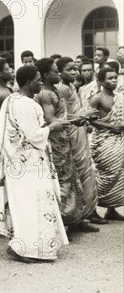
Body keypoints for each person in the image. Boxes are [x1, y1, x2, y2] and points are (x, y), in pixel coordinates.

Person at [0, 65, 70, 263]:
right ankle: (26, 249)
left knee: (24, 204)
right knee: (33, 203)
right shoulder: (25, 104)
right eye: (37, 80)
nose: (41, 83)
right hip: (29, 163)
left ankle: (26, 246)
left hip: (17, 161)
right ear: (28, 82)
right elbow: (34, 136)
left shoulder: (12, 99)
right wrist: (52, 127)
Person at [37, 58, 98, 232]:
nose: (58, 74)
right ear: (47, 75)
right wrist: (78, 119)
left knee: (73, 180)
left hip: (64, 140)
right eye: (56, 71)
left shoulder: (54, 90)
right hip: (55, 143)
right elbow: (52, 121)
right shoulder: (44, 94)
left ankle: (75, 220)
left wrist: (80, 118)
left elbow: (64, 117)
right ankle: (59, 225)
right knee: (61, 183)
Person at [89, 67, 124, 222]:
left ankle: (112, 209)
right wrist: (110, 127)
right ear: (101, 81)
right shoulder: (97, 98)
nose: (113, 81)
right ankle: (92, 209)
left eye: (115, 78)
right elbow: (88, 119)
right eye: (110, 78)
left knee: (119, 175)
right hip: (103, 141)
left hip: (118, 139)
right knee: (107, 174)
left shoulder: (119, 96)